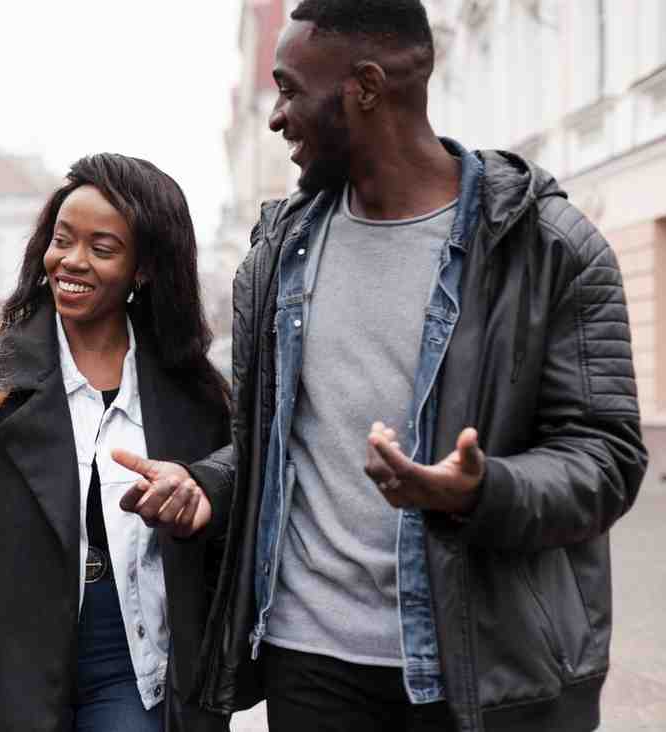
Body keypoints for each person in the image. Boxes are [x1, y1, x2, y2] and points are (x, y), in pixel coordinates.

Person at [117, 2, 648, 731]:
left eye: (291, 88)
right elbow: (276, 446)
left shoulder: (548, 247)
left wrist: (479, 489)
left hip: (484, 671)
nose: (276, 117)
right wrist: (207, 482)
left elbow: (607, 459)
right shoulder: (278, 256)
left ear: (364, 88)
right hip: (309, 664)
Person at [0, 153, 231, 732]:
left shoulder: (193, 394)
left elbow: (234, 496)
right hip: (14, 657)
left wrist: (199, 495)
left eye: (102, 248)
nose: (72, 260)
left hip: (135, 656)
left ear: (144, 268)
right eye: (62, 239)